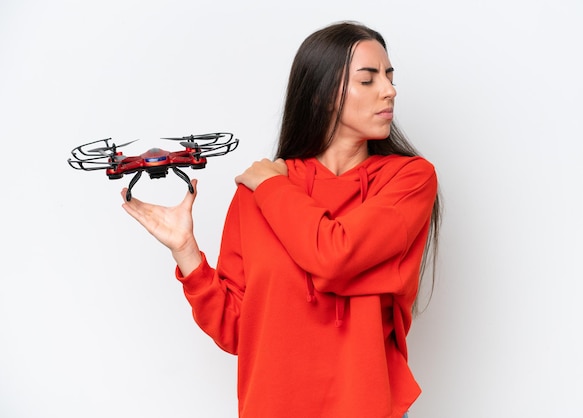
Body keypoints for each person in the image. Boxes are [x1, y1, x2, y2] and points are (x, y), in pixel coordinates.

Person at [121, 20, 441, 418]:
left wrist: (272, 188)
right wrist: (186, 251)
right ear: (325, 95)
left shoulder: (406, 179)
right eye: (368, 79)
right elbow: (239, 328)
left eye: (390, 77)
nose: (389, 90)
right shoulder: (256, 193)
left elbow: (334, 255)